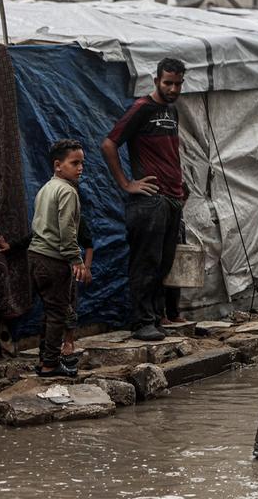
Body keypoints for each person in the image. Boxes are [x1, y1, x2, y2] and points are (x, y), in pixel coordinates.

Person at [101, 57, 188, 341]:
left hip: (172, 198)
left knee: (164, 264)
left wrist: (180, 183)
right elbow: (109, 144)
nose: (173, 89)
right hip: (151, 201)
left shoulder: (171, 111)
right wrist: (127, 183)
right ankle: (141, 322)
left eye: (177, 83)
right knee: (146, 263)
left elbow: (169, 154)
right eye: (168, 83)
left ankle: (155, 317)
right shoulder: (142, 108)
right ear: (156, 81)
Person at [0, 208, 93, 367]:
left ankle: (67, 343)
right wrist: (10, 246)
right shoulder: (48, 220)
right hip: (48, 267)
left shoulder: (76, 218)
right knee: (51, 312)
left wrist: (86, 268)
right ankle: (47, 356)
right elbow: (30, 238)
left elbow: (88, 244)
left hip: (67, 268)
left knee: (68, 307)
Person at [23, 139, 89, 377]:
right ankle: (50, 364)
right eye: (75, 163)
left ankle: (44, 360)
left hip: (35, 257)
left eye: (82, 163)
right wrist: (76, 259)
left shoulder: (46, 188)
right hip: (53, 260)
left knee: (50, 311)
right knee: (58, 313)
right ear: (58, 165)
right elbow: (67, 230)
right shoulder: (67, 191)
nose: (80, 168)